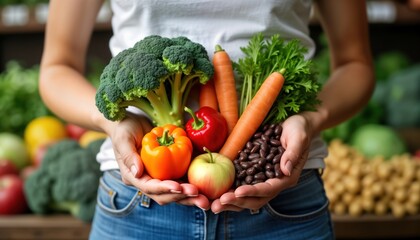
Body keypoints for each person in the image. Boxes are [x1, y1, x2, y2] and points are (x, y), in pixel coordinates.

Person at [39, 0, 374, 239]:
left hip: (283, 197)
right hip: (138, 203)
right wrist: (114, 123)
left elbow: (354, 63)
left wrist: (310, 120)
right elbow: (57, 68)